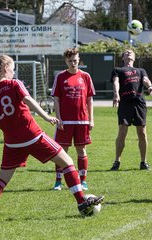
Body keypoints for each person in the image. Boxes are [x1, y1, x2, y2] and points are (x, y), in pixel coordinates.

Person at [0, 55, 104, 221]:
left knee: (2, 179)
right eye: (13, 68)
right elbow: (28, 99)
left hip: (12, 144)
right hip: (32, 136)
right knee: (67, 163)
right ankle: (81, 201)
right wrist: (46, 116)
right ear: (5, 69)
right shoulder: (14, 83)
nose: (13, 71)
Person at [51, 47, 95, 191]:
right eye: (70, 61)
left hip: (82, 121)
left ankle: (83, 181)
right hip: (65, 121)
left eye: (75, 60)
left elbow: (89, 100)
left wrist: (91, 119)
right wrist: (58, 118)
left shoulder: (86, 76)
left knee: (81, 150)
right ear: (66, 61)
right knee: (61, 152)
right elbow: (56, 99)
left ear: (78, 60)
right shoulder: (61, 77)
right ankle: (58, 181)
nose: (73, 63)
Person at [109, 49, 152, 171]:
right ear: (122, 57)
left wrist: (150, 87)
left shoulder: (140, 70)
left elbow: (145, 79)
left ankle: (143, 162)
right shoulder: (118, 70)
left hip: (139, 103)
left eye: (131, 52)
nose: (128, 53)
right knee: (122, 131)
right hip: (125, 103)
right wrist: (116, 94)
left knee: (142, 132)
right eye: (126, 52)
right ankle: (117, 161)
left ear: (134, 57)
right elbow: (116, 82)